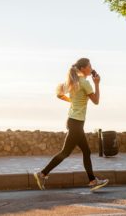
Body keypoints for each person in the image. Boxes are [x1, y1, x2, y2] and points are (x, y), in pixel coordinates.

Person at [34, 58, 109, 191]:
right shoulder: (85, 83)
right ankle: (42, 173)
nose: (91, 68)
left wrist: (73, 101)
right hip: (76, 123)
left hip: (73, 121)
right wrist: (97, 83)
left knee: (84, 151)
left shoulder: (72, 82)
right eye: (89, 66)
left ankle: (92, 180)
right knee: (67, 152)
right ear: (83, 69)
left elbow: (59, 94)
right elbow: (96, 101)